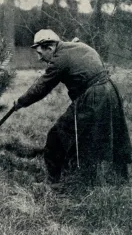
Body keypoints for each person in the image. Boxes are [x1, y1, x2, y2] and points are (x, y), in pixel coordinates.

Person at [14, 29, 132, 185]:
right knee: (109, 135)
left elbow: (41, 87)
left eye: (40, 53)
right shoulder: (76, 46)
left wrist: (21, 102)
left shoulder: (59, 59)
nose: (39, 58)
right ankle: (117, 180)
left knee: (57, 137)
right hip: (110, 91)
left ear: (50, 48)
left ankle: (54, 182)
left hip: (93, 96)